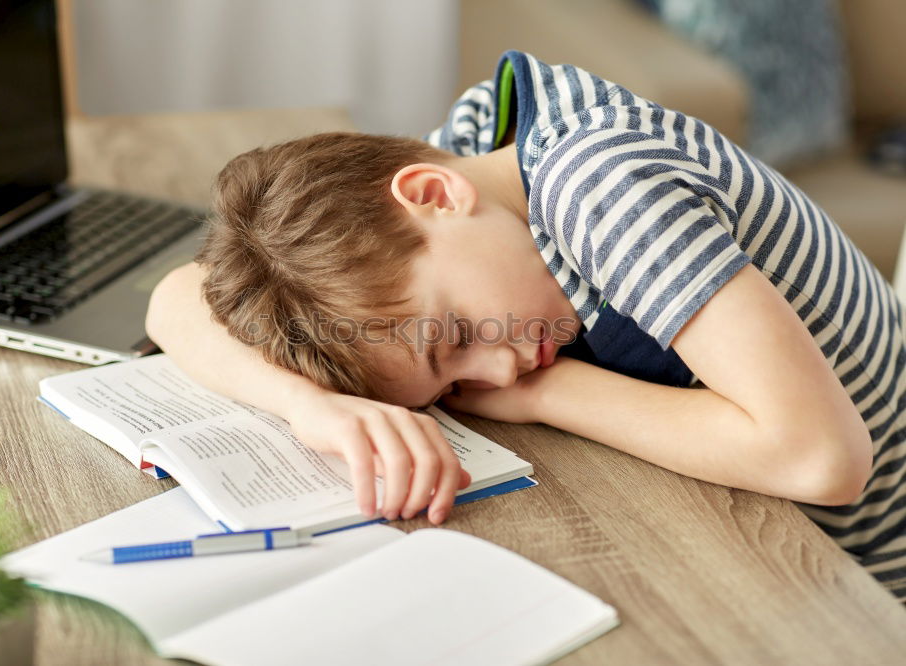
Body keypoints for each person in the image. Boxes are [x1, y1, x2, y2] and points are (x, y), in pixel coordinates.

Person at [145, 50, 906, 602]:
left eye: (453, 339)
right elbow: (175, 297)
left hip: (867, 585)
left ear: (435, 193)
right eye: (453, 383)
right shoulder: (480, 145)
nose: (498, 373)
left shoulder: (598, 183)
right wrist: (311, 407)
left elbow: (820, 461)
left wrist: (551, 396)